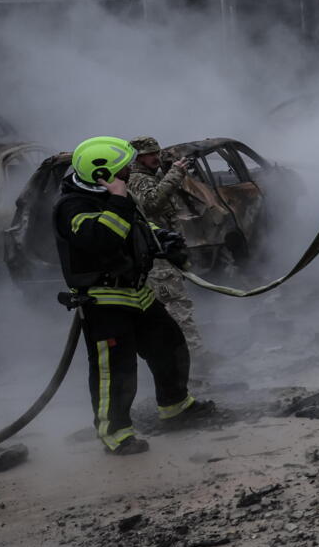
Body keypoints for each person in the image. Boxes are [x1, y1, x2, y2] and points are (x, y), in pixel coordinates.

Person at [55, 135, 214, 455]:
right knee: (115, 369)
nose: (128, 172)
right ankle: (115, 433)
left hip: (137, 291)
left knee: (169, 345)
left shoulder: (112, 197)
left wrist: (164, 241)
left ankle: (175, 405)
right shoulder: (73, 206)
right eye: (121, 168)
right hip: (103, 299)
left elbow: (138, 227)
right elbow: (101, 238)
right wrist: (118, 198)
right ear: (102, 173)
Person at [124, 137, 199, 348]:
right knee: (177, 310)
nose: (155, 157)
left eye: (156, 152)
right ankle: (193, 363)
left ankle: (190, 359)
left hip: (163, 252)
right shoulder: (138, 179)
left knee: (177, 307)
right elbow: (151, 204)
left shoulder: (150, 177)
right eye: (149, 154)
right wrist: (174, 175)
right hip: (156, 258)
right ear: (137, 157)